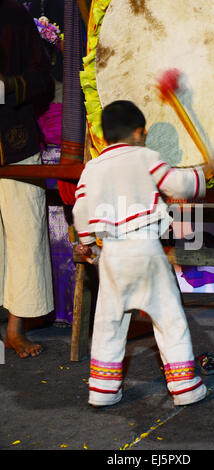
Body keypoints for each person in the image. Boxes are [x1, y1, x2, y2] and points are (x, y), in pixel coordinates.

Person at [73, 100, 209, 407]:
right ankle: (185, 387)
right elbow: (178, 185)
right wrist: (203, 174)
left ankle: (103, 392)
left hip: (112, 255)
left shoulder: (91, 168)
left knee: (109, 323)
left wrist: (91, 246)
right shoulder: (146, 157)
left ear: (104, 135)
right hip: (146, 249)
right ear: (139, 132)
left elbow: (81, 211)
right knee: (169, 319)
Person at [0, 0, 54, 357]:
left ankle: (15, 329)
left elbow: (41, 78)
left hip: (13, 141)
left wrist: (5, 89)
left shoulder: (12, 14)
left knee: (24, 233)